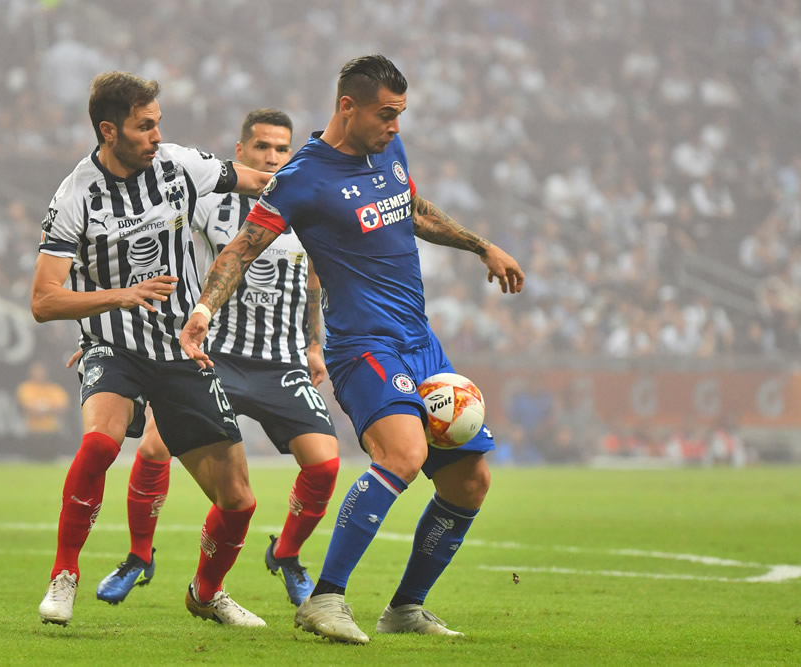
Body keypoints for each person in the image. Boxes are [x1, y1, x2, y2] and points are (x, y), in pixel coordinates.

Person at [180, 55, 525, 643]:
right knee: (403, 455)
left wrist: (481, 246)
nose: (395, 126)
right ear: (347, 106)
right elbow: (241, 248)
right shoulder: (302, 178)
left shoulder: (389, 150)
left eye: (400, 114)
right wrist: (203, 312)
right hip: (363, 345)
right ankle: (325, 599)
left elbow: (412, 210)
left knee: (470, 481)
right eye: (386, 114)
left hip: (420, 341)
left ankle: (406, 608)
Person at [30, 71, 272, 628]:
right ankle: (64, 575)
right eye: (144, 126)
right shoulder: (75, 196)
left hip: (180, 349)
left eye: (158, 123)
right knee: (100, 442)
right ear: (109, 131)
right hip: (113, 346)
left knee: (238, 499)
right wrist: (120, 296)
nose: (157, 135)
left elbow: (256, 179)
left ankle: (206, 593)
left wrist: (319, 183)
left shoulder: (178, 165)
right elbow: (43, 300)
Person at [91, 109, 339, 609]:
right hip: (214, 356)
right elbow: (160, 247)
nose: (273, 157)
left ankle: (286, 554)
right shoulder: (210, 203)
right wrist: (111, 327)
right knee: (154, 448)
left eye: (282, 149)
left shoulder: (306, 205)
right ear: (241, 151)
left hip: (281, 361)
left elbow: (314, 276)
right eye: (263, 147)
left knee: (326, 466)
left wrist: (314, 344)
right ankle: (139, 556)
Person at [16, 360, 71, 459]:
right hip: (31, 434)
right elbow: (27, 408)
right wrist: (49, 409)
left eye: (41, 370)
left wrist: (41, 409)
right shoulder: (25, 388)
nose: (39, 374)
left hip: (52, 434)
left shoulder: (55, 389)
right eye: (36, 370)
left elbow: (62, 408)